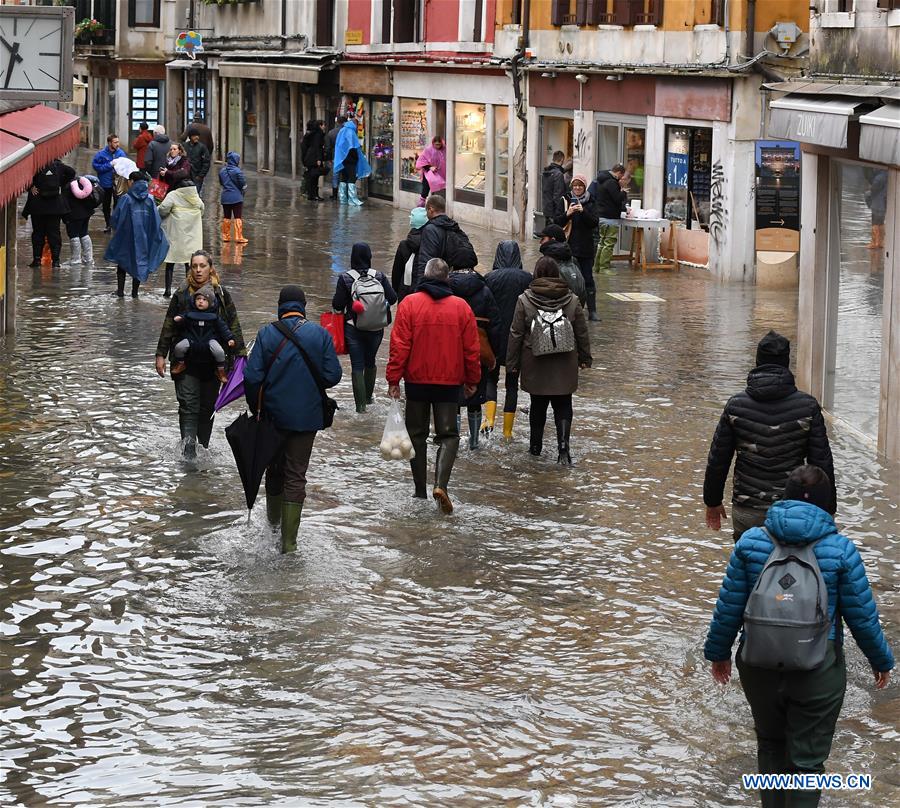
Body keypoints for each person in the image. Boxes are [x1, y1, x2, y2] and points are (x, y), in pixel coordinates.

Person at [704, 464, 893, 808]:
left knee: (771, 745)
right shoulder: (841, 550)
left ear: (785, 498)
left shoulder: (751, 542)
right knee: (807, 762)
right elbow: (862, 617)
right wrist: (881, 661)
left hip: (757, 664)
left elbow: (729, 606)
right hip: (817, 669)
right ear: (826, 505)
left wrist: (718, 654)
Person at [704, 330, 836, 542]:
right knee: (790, 570)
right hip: (793, 511)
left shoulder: (736, 405)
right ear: (786, 363)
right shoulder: (808, 407)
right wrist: (828, 509)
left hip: (747, 508)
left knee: (747, 570)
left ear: (757, 362)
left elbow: (718, 459)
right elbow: (821, 463)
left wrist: (712, 501)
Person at [243, 285, 342, 553]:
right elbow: (333, 376)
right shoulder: (320, 335)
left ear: (280, 306)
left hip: (273, 418)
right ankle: (289, 545)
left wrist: (257, 409)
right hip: (307, 419)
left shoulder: (266, 333)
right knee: (296, 475)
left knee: (273, 472)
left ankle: (272, 529)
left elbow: (251, 378)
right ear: (303, 306)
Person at [386, 258, 480, 513]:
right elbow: (472, 350)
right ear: (447, 278)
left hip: (416, 381)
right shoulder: (461, 307)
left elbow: (399, 346)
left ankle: (419, 491)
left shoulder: (409, 304)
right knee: (448, 435)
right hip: (449, 383)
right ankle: (441, 485)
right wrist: (473, 380)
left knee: (416, 434)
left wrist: (393, 379)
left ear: (425, 277)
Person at [155, 250, 246, 459]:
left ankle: (202, 450)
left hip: (214, 366)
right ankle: (188, 454)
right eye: (194, 266)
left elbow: (233, 324)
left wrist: (240, 358)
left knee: (207, 408)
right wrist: (161, 354)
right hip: (185, 363)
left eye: (202, 266)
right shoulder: (182, 293)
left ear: (210, 268)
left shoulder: (221, 294)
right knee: (188, 406)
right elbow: (169, 324)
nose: (198, 270)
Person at [505, 256, 592, 464]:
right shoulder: (572, 299)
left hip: (535, 362)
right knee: (564, 404)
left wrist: (512, 365)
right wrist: (585, 358)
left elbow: (515, 334)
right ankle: (563, 448)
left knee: (538, 405)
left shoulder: (524, 300)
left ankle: (535, 448)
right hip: (565, 361)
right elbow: (582, 331)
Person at [331, 242, 398, 413]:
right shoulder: (380, 276)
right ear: (369, 257)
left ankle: (360, 409)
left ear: (352, 257)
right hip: (376, 328)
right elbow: (392, 298)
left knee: (357, 366)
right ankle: (369, 399)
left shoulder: (345, 278)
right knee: (371, 362)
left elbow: (337, 305)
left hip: (353, 328)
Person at [449, 265, 502, 450]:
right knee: (476, 397)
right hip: (479, 349)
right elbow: (495, 324)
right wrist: (494, 353)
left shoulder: (447, 288)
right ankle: (474, 443)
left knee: (453, 398)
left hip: (451, 349)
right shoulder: (485, 290)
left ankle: (453, 442)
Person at [483, 241, 532, 440]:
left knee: (491, 379)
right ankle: (507, 432)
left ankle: (489, 421)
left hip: (494, 338)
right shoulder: (528, 278)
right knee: (512, 384)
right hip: (517, 339)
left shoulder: (490, 278)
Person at [104, 171, 169, 299]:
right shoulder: (150, 199)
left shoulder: (125, 199)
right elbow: (156, 221)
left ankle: (120, 292)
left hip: (125, 237)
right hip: (143, 239)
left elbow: (116, 218)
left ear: (132, 182)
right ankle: (135, 293)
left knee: (122, 262)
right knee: (140, 262)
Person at [554, 174, 600, 321]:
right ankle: (569, 309)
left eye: (580, 185)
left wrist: (583, 211)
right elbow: (556, 223)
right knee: (569, 279)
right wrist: (568, 214)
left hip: (586, 248)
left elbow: (594, 222)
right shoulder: (565, 200)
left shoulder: (591, 201)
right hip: (568, 247)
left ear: (584, 187)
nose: (577, 188)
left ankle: (591, 311)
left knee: (587, 279)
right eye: (575, 185)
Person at [170, 284, 235, 384]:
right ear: (194, 301)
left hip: (210, 340)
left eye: (204, 300)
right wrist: (179, 319)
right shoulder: (190, 314)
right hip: (192, 339)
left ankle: (220, 370)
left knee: (219, 352)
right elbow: (182, 321)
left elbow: (223, 328)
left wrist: (229, 339)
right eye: (198, 299)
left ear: (210, 303)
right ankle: (181, 363)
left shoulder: (215, 317)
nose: (201, 301)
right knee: (179, 347)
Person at [414, 194, 477, 288]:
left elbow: (426, 261)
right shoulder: (455, 227)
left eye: (426, 210)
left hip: (441, 283)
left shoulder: (430, 229)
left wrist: (420, 289)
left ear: (431, 209)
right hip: (462, 280)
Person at [158, 177, 204, 298]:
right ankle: (188, 289)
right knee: (189, 263)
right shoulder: (196, 197)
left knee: (171, 262)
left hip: (175, 235)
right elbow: (202, 210)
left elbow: (163, 209)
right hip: (192, 237)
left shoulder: (173, 195)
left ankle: (167, 290)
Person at [22, 160, 69, 268]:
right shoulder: (58, 165)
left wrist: (30, 187)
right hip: (55, 207)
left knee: (38, 233)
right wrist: (60, 184)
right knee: (54, 234)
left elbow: (22, 176)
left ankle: (37, 260)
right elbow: (71, 172)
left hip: (37, 207)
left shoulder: (35, 164)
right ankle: (56, 261)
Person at [589, 162, 628, 276]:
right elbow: (617, 198)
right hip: (610, 217)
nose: (621, 178)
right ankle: (604, 267)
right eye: (622, 175)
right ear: (619, 173)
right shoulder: (611, 182)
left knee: (602, 242)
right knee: (609, 243)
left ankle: (597, 266)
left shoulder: (602, 179)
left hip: (601, 216)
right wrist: (623, 193)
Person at [536, 224, 586, 306]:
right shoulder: (573, 260)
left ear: (552, 239)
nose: (540, 242)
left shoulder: (546, 262)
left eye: (543, 239)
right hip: (575, 308)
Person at [59, 165, 99, 266]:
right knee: (84, 233)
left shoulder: (67, 187)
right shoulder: (80, 182)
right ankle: (88, 258)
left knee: (73, 235)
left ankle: (75, 259)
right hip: (86, 213)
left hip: (74, 215)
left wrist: (64, 217)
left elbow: (65, 203)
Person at [390, 206, 429, 301]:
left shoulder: (404, 245)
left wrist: (396, 291)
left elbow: (396, 272)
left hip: (405, 291)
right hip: (424, 292)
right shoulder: (431, 243)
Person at [332, 116, 371, 206]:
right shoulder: (351, 132)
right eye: (357, 124)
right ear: (355, 124)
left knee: (344, 177)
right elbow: (353, 147)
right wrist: (357, 158)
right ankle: (352, 199)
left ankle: (343, 198)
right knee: (352, 177)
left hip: (342, 159)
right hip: (350, 160)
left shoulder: (342, 131)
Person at [91, 134, 126, 232]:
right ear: (109, 143)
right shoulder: (101, 154)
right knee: (106, 205)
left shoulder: (121, 154)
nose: (117, 144)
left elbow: (125, 167)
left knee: (117, 204)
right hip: (105, 183)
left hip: (117, 184)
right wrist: (109, 165)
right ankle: (108, 224)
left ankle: (115, 223)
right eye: (115, 142)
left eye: (118, 142)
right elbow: (96, 166)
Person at [218, 151, 248, 244]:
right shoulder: (238, 171)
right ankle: (239, 237)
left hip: (225, 197)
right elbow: (242, 184)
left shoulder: (222, 171)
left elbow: (221, 183)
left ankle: (226, 236)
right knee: (237, 217)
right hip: (237, 198)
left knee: (226, 217)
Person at [415, 135, 447, 205]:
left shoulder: (444, 150)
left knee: (439, 187)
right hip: (428, 172)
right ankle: (421, 205)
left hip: (439, 172)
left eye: (439, 144)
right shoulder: (428, 150)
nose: (437, 146)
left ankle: (435, 205)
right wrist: (429, 167)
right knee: (426, 189)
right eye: (436, 145)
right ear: (433, 143)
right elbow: (421, 161)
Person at [301, 119, 326, 202]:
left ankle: (311, 194)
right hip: (314, 158)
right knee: (314, 177)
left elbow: (304, 147)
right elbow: (317, 147)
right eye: (323, 125)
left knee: (311, 177)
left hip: (309, 157)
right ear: (320, 126)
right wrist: (319, 159)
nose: (324, 127)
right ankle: (314, 195)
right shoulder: (318, 134)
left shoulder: (309, 134)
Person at [541, 150, 568, 224]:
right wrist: (560, 212)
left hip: (546, 209)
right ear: (562, 159)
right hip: (554, 212)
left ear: (553, 159)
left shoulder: (546, 172)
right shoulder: (558, 174)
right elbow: (558, 195)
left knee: (548, 233)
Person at [864, 169, 887, 250]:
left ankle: (874, 243)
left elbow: (873, 189)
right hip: (883, 204)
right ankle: (880, 242)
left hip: (877, 204)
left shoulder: (879, 177)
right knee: (880, 222)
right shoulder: (886, 174)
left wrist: (870, 190)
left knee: (875, 222)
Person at [325, 115, 346, 201]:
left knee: (335, 175)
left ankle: (334, 195)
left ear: (337, 122)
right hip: (345, 156)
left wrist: (329, 158)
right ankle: (344, 194)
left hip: (335, 156)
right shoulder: (347, 132)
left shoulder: (331, 132)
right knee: (345, 175)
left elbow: (328, 147)